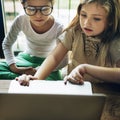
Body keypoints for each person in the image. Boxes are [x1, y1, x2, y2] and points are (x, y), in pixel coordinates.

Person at [16, 0, 120, 86]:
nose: (86, 23)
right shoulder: (74, 32)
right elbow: (54, 57)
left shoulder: (115, 41)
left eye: (96, 19)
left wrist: (86, 68)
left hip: (106, 93)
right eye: (83, 15)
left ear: (110, 20)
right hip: (75, 88)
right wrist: (36, 79)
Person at [1, 0, 67, 80]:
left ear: (52, 5)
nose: (38, 15)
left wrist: (37, 71)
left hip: (48, 63)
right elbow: (7, 44)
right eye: (31, 9)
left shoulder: (59, 27)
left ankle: (22, 80)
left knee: (54, 81)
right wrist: (14, 68)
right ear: (23, 6)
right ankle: (24, 80)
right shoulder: (21, 20)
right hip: (26, 58)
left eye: (45, 9)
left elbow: (64, 61)